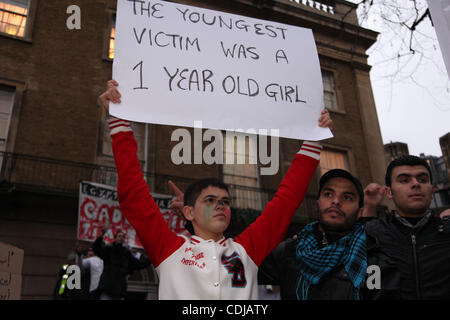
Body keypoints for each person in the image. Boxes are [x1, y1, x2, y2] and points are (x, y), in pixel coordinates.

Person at [97, 79, 333, 299]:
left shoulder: (247, 248)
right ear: (189, 212)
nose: (220, 205)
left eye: (225, 201)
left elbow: (286, 200)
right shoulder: (168, 248)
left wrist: (313, 140)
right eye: (209, 200)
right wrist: (118, 122)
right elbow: (134, 195)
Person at [258, 169, 384, 300]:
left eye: (347, 197)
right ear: (318, 203)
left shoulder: (371, 260)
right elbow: (242, 268)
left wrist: (370, 208)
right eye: (328, 194)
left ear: (359, 212)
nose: (336, 201)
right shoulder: (289, 251)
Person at [364, 155, 450, 299]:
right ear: (389, 192)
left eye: (422, 179)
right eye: (404, 180)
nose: (416, 184)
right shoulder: (371, 234)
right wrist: (369, 207)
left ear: (432, 189)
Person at [93, 229, 151, 300]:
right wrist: (101, 235)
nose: (121, 238)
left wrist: (151, 258)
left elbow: (138, 264)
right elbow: (96, 249)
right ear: (115, 238)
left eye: (123, 237)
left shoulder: (126, 253)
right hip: (107, 286)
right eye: (119, 236)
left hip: (119, 289)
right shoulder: (108, 250)